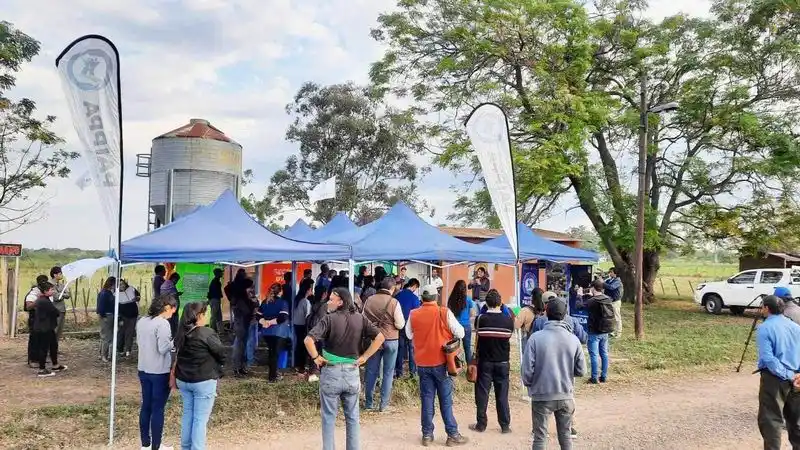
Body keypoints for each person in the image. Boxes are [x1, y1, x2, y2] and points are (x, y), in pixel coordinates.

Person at [304, 287, 385, 450]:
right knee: (353, 418)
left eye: (332, 299)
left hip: (331, 373)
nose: (329, 302)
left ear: (341, 302)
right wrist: (365, 357)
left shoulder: (329, 319)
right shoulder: (360, 319)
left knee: (328, 418)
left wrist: (316, 358)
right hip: (352, 373)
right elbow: (380, 337)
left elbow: (308, 340)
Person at [407, 285, 468, 447]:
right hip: (442, 362)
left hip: (422, 363)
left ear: (422, 298)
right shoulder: (444, 312)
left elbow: (408, 334)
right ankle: (452, 434)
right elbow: (461, 332)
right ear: (436, 296)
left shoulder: (413, 314)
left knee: (427, 399)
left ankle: (427, 435)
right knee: (445, 400)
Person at [522, 297, 586, 450]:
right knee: (566, 437)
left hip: (541, 395)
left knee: (539, 438)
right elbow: (581, 371)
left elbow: (526, 371)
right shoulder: (574, 340)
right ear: (565, 315)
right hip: (566, 395)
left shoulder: (535, 339)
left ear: (546, 313)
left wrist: (531, 385)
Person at [174, 302, 226, 450]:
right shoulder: (206, 333)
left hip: (183, 379)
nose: (207, 315)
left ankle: (186, 447)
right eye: (206, 312)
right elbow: (221, 353)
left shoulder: (180, 332)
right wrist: (220, 364)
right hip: (203, 380)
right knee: (200, 420)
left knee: (188, 415)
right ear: (199, 316)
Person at [756, 295, 800, 449]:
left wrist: (787, 374)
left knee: (771, 421)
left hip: (775, 379)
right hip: (797, 379)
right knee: (796, 420)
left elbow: (768, 359)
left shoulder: (765, 328)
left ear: (767, 308)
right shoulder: (795, 327)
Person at [137, 294, 178, 450]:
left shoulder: (142, 321)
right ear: (167, 307)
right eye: (172, 311)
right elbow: (163, 348)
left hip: (143, 368)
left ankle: (145, 444)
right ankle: (156, 446)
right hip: (159, 371)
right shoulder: (162, 324)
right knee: (158, 408)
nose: (172, 315)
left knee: (146, 405)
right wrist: (174, 342)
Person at [470, 289, 514, 434]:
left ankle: (481, 424)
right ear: (500, 303)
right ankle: (505, 425)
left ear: (486, 303)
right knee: (502, 395)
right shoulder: (508, 320)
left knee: (482, 394)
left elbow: (476, 334)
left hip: (485, 362)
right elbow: (508, 336)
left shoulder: (480, 319)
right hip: (502, 362)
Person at [363, 277, 405, 411]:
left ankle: (369, 404)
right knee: (388, 372)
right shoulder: (394, 302)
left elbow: (363, 319)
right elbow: (400, 324)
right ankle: (383, 405)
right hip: (391, 340)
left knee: (371, 371)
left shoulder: (369, 300)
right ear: (392, 288)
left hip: (374, 339)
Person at [578, 279, 615, 384]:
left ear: (593, 288)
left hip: (594, 331)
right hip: (605, 330)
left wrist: (579, 295)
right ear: (602, 288)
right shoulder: (607, 299)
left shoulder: (592, 301)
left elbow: (579, 306)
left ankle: (594, 377)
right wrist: (591, 296)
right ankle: (604, 376)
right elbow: (597, 304)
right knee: (604, 353)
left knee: (594, 354)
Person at [32, 281, 68, 377]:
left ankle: (55, 365)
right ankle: (42, 369)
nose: (52, 291)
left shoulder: (44, 299)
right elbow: (55, 312)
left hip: (48, 327)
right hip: (43, 328)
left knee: (53, 345)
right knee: (43, 348)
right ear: (45, 291)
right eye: (51, 290)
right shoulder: (44, 301)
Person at [258, 282, 291, 382]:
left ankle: (273, 374)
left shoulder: (265, 302)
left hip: (266, 333)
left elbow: (258, 316)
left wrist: (264, 322)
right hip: (278, 332)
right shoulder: (283, 303)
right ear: (280, 292)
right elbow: (283, 318)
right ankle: (273, 376)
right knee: (275, 354)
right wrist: (271, 322)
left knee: (271, 353)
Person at [231, 277, 258, 378]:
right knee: (239, 347)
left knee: (243, 348)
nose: (251, 289)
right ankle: (236, 368)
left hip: (244, 325)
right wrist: (253, 303)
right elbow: (247, 312)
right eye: (250, 287)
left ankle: (241, 367)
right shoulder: (241, 300)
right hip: (241, 326)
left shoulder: (244, 298)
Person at [395, 278, 421, 378]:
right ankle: (412, 373)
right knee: (411, 349)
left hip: (399, 325)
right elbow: (417, 314)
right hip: (411, 326)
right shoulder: (414, 298)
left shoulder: (397, 296)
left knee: (400, 348)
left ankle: (399, 373)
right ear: (414, 286)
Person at [447, 280, 475, 365]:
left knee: (454, 348)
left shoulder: (451, 299)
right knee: (467, 348)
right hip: (466, 326)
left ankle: (455, 367)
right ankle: (469, 368)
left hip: (454, 326)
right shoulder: (468, 299)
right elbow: (472, 313)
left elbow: (449, 313)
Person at [25, 275, 49, 367]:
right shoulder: (34, 293)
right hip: (34, 318)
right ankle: (33, 360)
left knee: (42, 339)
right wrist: (39, 300)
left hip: (43, 318)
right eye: (42, 282)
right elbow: (28, 306)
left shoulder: (45, 291)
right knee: (34, 339)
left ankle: (41, 358)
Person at [293, 278, 315, 374]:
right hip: (303, 326)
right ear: (307, 290)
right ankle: (301, 366)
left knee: (299, 345)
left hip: (296, 325)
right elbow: (308, 316)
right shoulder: (305, 301)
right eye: (311, 289)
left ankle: (298, 365)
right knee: (303, 346)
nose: (312, 291)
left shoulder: (297, 299)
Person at [516, 288, 544, 352]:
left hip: (528, 342)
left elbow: (516, 325)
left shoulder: (525, 310)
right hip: (542, 344)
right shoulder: (546, 312)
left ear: (532, 298)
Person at [117, 279, 141, 357]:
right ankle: (120, 349)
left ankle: (128, 350)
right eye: (120, 285)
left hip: (133, 315)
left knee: (129, 333)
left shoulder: (131, 288)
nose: (122, 286)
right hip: (123, 316)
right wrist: (119, 318)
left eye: (123, 284)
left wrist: (137, 298)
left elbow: (138, 295)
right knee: (121, 333)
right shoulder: (116, 294)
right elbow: (116, 308)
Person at [97, 276, 117, 363]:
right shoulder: (105, 293)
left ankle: (101, 353)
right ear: (112, 284)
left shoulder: (105, 292)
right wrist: (103, 316)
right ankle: (104, 356)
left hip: (107, 316)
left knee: (104, 335)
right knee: (107, 337)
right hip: (107, 316)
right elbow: (101, 307)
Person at [49, 266, 70, 344]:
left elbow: (68, 295)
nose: (61, 275)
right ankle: (49, 348)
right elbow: (56, 297)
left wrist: (62, 294)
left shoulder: (61, 285)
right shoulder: (50, 284)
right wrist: (62, 294)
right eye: (60, 274)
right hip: (54, 310)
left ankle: (55, 348)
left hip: (61, 310)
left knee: (59, 331)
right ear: (55, 275)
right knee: (54, 329)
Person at [160, 272, 182, 336]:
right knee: (172, 325)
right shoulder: (169, 284)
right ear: (174, 278)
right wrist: (177, 294)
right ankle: (172, 338)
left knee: (170, 324)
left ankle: (172, 337)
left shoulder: (165, 284)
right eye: (177, 280)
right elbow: (171, 295)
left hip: (168, 308)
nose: (176, 282)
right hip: (170, 309)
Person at [603, 268, 623, 337]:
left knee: (617, 317)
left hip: (615, 302)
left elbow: (611, 287)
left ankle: (619, 333)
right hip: (609, 301)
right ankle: (612, 331)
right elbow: (604, 285)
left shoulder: (617, 281)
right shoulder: (610, 280)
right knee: (611, 317)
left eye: (611, 272)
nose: (609, 273)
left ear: (615, 273)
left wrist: (602, 282)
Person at [206, 268, 224, 332]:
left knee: (218, 316)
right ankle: (211, 330)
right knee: (214, 316)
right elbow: (213, 292)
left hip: (216, 300)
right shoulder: (215, 281)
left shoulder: (216, 281)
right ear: (217, 273)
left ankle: (220, 330)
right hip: (215, 300)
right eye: (221, 272)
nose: (222, 273)